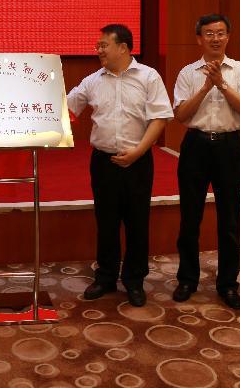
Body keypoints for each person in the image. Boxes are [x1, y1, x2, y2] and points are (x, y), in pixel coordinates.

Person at [67, 24, 173, 307]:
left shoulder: (149, 77)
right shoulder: (93, 80)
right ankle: (105, 277)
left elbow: (160, 118)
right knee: (106, 222)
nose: (98, 50)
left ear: (123, 47)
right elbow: (67, 107)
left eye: (104, 45)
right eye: (98, 45)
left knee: (137, 222)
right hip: (103, 161)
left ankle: (135, 280)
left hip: (138, 161)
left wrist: (139, 151)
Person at [172, 14, 240, 309]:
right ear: (199, 39)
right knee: (190, 216)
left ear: (228, 37)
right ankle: (187, 279)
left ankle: (228, 284)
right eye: (209, 33)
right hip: (196, 145)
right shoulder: (188, 73)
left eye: (221, 33)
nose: (215, 38)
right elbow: (181, 115)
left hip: (230, 147)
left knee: (230, 219)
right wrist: (206, 86)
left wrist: (222, 84)